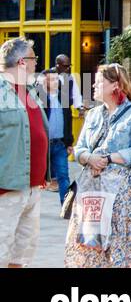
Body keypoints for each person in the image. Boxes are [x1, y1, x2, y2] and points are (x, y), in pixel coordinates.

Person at [65, 64, 131, 268]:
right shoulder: (93, 114)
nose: (93, 85)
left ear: (116, 85)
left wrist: (107, 158)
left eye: (99, 82)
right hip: (93, 192)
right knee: (89, 239)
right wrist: (89, 158)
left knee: (118, 239)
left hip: (122, 195)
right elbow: (79, 148)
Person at [0, 38, 45, 268]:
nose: (36, 63)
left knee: (23, 254)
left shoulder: (29, 90)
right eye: (33, 58)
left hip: (33, 186)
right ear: (21, 61)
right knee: (2, 251)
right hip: (7, 188)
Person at [39, 69, 72, 203]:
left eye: (56, 79)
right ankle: (30, 207)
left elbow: (68, 120)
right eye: (51, 79)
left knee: (63, 176)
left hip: (59, 144)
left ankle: (66, 205)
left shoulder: (62, 97)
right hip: (43, 144)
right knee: (37, 177)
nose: (55, 82)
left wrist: (69, 142)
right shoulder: (40, 96)